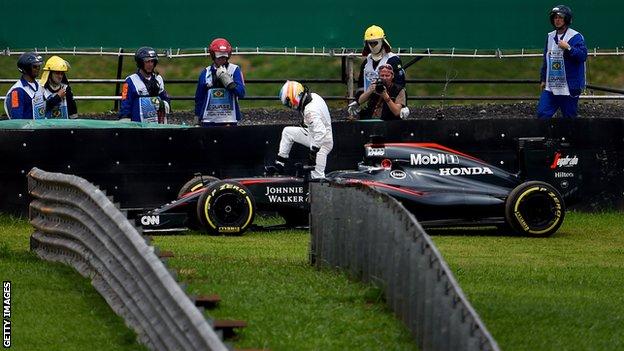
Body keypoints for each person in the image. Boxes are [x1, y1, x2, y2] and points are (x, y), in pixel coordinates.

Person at [267, 81, 333, 179]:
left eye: (288, 103)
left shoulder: (310, 111)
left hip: (322, 143)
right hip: (315, 135)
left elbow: (321, 132)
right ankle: (280, 164)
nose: (290, 106)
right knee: (287, 132)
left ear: (293, 97)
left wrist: (313, 153)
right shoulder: (313, 96)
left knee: (317, 178)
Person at [537, 5, 587, 119]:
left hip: (570, 86)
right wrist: (543, 78)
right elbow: (546, 59)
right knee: (542, 113)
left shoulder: (575, 36)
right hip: (552, 85)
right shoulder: (550, 36)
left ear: (567, 19)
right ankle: (549, 136)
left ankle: (569, 137)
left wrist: (568, 48)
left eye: (560, 17)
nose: (557, 20)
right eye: (555, 18)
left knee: (569, 117)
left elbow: (582, 56)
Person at [348, 25, 406, 117]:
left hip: (390, 102)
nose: (372, 46)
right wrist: (357, 101)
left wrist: (401, 104)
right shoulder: (366, 63)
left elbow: (400, 85)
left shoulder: (393, 60)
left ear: (382, 41)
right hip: (371, 103)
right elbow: (361, 86)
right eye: (370, 43)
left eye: (375, 43)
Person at [194, 38, 246, 126]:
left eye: (224, 56)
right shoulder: (206, 72)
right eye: (219, 56)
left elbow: (241, 93)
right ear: (213, 56)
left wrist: (230, 83)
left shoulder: (234, 69)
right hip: (209, 120)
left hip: (229, 119)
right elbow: (199, 97)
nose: (222, 59)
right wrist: (197, 118)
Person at [119, 47, 171, 123]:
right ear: (140, 63)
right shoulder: (130, 80)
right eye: (147, 62)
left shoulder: (158, 79)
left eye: (152, 61)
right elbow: (125, 103)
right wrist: (125, 120)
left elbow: (165, 98)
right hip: (138, 126)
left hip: (157, 124)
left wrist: (165, 104)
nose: (150, 64)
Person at [4, 52, 46, 119]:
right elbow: (17, 119)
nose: (38, 68)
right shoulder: (16, 91)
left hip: (39, 126)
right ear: (25, 69)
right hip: (27, 129)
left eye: (39, 66)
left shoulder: (38, 85)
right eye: (35, 66)